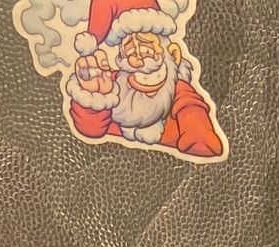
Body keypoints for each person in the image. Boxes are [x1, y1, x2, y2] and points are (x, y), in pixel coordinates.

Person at [68, 0, 224, 158]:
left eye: (146, 50)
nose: (136, 60)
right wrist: (95, 96)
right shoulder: (113, 84)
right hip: (112, 159)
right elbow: (91, 130)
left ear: (173, 54)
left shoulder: (178, 91)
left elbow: (196, 127)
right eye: (129, 52)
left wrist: (198, 138)